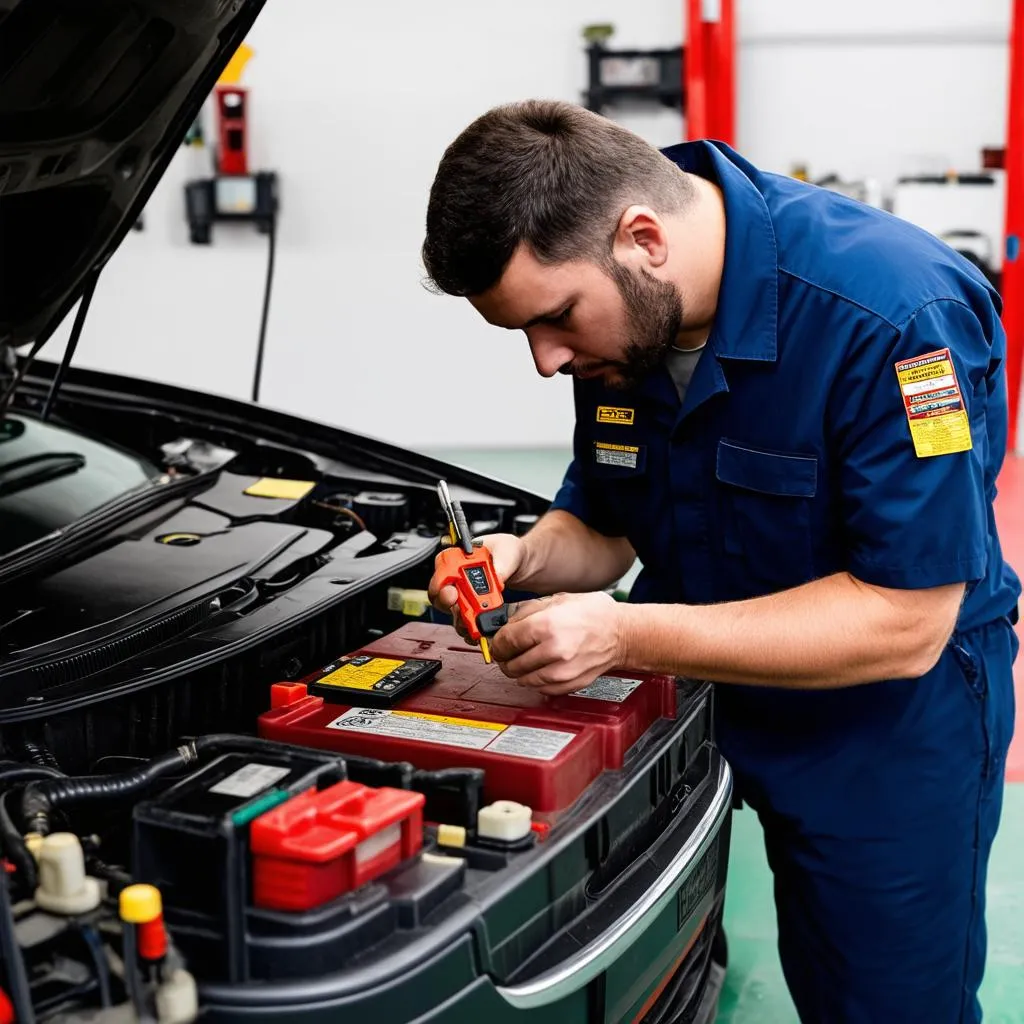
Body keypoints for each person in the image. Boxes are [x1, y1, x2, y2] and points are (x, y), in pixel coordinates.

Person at [421, 100, 1019, 1023]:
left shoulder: (898, 318)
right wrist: (522, 555)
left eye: (556, 318)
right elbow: (612, 525)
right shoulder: (626, 335)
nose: (546, 361)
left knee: (881, 1004)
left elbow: (906, 621)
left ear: (644, 238)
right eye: (524, 336)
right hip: (698, 704)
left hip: (886, 734)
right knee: (664, 962)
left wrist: (622, 635)